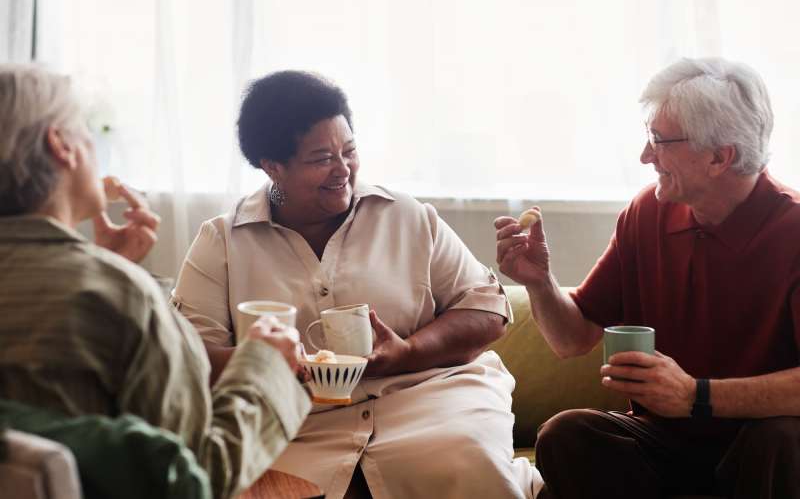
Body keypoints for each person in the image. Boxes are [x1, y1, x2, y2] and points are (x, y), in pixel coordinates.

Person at [172, 70, 544, 499]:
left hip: (429, 398)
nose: (342, 170)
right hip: (296, 421)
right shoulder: (222, 241)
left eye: (349, 151)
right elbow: (190, 357)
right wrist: (270, 362)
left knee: (466, 460)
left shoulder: (406, 217)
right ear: (272, 166)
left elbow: (487, 311)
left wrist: (407, 352)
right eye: (320, 159)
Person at [0, 63, 311, 499]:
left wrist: (105, 265)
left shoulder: (107, 287)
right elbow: (197, 473)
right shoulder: (122, 299)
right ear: (61, 145)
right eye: (85, 132)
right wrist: (268, 367)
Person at [495, 57, 800, 499]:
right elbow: (572, 339)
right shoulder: (647, 213)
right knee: (566, 434)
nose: (645, 156)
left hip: (760, 446)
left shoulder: (792, 231)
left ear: (720, 156)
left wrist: (697, 395)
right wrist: (539, 281)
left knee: (783, 440)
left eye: (659, 141)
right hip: (666, 442)